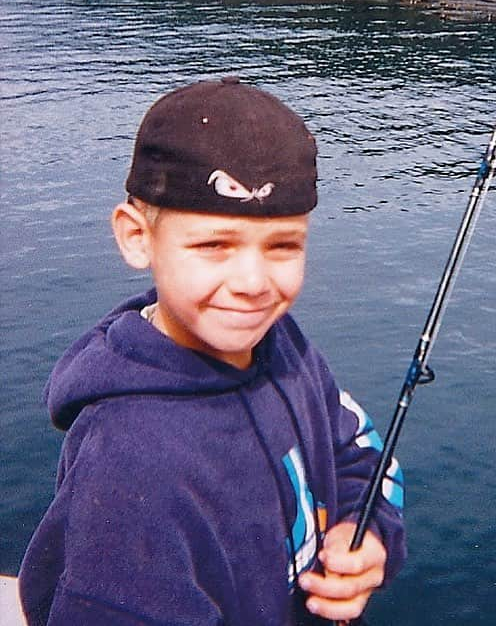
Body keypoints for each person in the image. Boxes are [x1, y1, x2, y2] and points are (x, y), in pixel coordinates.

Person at [18, 76, 406, 625]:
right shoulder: (129, 460)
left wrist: (364, 535)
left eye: (282, 246)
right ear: (136, 237)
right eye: (213, 245)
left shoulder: (285, 348)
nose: (252, 281)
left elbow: (360, 454)